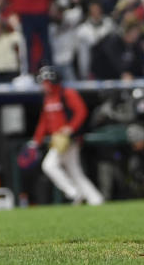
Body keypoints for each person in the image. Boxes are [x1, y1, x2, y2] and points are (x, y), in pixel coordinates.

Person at [29, 65, 104, 205]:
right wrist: (36, 141)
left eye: (45, 82)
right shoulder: (48, 98)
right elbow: (44, 122)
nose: (43, 86)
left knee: (49, 165)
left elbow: (81, 111)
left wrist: (70, 128)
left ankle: (74, 193)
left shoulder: (67, 93)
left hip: (68, 138)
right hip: (57, 139)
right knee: (74, 171)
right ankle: (95, 198)